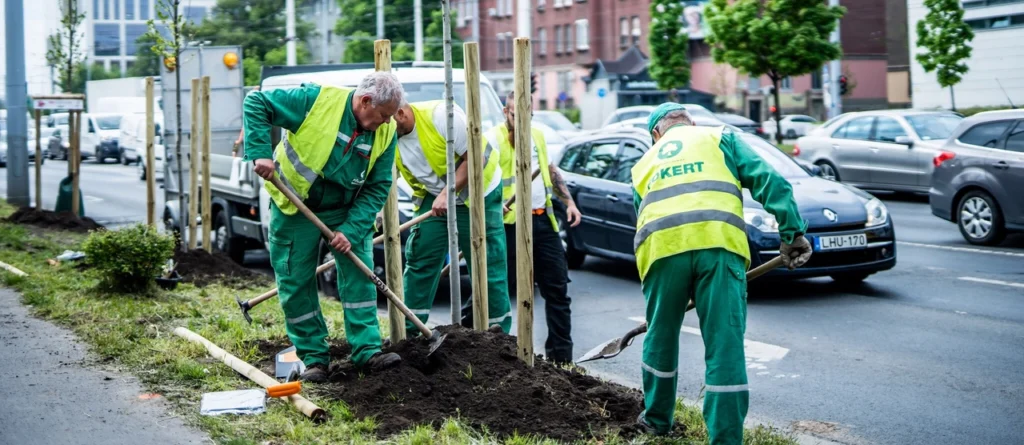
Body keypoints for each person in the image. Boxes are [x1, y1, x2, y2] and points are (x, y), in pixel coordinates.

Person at [631, 103, 812, 442]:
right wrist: (791, 233)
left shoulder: (644, 163)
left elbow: (639, 217)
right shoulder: (720, 137)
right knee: (724, 346)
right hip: (719, 248)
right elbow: (769, 180)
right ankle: (726, 438)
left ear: (656, 134)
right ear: (690, 123)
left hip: (661, 251)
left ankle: (656, 421)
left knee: (660, 335)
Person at [242, 72, 405, 383]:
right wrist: (261, 152)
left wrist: (351, 230)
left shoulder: (387, 131)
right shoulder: (315, 101)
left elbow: (378, 185)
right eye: (383, 115)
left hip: (344, 208)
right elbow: (257, 103)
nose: (386, 122)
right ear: (365, 101)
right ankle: (314, 358)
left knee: (360, 274)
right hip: (294, 204)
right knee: (296, 281)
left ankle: (367, 351)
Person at [391, 99, 512, 335]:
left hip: (478, 191)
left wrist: (448, 193)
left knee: (485, 261)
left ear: (401, 113)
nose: (382, 124)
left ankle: (497, 331)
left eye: (387, 118)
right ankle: (409, 330)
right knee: (421, 257)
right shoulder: (387, 133)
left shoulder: (442, 116)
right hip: (434, 194)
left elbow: (477, 157)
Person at [489, 91, 582, 364]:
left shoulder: (537, 135)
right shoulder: (493, 139)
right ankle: (485, 348)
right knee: (498, 287)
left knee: (557, 289)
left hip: (542, 221)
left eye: (527, 115)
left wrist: (570, 203)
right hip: (509, 225)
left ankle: (561, 358)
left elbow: (550, 170)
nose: (523, 121)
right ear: (506, 112)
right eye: (517, 115)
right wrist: (493, 205)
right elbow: (475, 177)